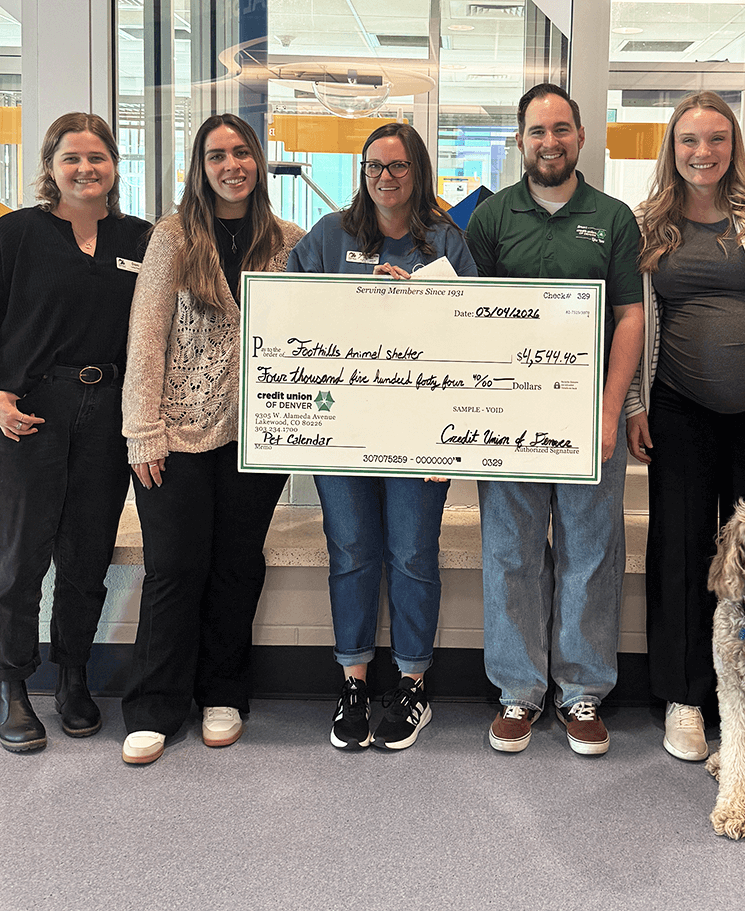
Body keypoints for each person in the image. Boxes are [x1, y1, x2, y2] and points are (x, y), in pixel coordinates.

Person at [624, 91, 745, 763]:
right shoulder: (650, 220)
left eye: (715, 139)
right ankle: (684, 697)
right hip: (676, 408)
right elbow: (634, 318)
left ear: (734, 144)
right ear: (671, 149)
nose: (702, 152)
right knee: (679, 551)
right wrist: (633, 406)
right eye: (688, 141)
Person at [0, 112, 151, 752]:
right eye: (72, 158)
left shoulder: (140, 240)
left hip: (106, 418)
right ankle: (12, 685)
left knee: (86, 559)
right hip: (27, 419)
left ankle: (73, 678)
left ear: (115, 167)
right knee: (19, 561)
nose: (85, 169)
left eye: (97, 157)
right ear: (50, 167)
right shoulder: (15, 235)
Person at [120, 114, 304, 765]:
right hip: (176, 432)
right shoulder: (173, 237)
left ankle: (222, 691)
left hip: (258, 436)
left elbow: (328, 317)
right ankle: (155, 703)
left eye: (241, 153)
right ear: (200, 168)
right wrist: (141, 430)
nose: (232, 165)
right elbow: (145, 339)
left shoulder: (288, 241)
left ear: (258, 162)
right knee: (174, 567)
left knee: (235, 565)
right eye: (217, 155)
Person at [287, 122, 478, 751]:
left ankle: (414, 682)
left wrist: (423, 298)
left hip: (422, 434)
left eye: (398, 166)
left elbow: (477, 336)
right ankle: (353, 682)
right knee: (351, 550)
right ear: (361, 173)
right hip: (340, 430)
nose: (385, 178)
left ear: (418, 172)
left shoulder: (447, 241)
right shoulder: (328, 237)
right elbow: (288, 317)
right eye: (374, 166)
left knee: (414, 554)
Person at [467, 84, 644, 756]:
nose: (550, 142)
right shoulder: (491, 219)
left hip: (586, 419)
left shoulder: (613, 217)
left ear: (580, 137)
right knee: (509, 552)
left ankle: (583, 692)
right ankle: (518, 691)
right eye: (537, 131)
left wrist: (610, 411)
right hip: (507, 417)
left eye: (561, 129)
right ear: (520, 139)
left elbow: (630, 316)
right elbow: (465, 318)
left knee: (590, 552)